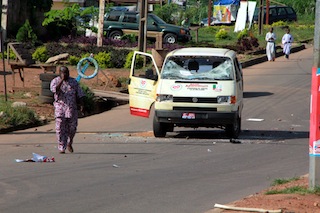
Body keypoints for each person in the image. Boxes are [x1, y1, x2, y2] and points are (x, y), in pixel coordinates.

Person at [50, 66, 85, 154]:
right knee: (60, 128)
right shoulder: (55, 81)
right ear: (59, 73)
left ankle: (69, 142)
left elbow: (80, 94)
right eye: (63, 73)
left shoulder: (74, 82)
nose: (65, 74)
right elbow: (55, 90)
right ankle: (61, 147)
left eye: (67, 72)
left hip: (71, 108)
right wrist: (62, 80)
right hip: (60, 108)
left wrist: (81, 105)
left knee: (72, 128)